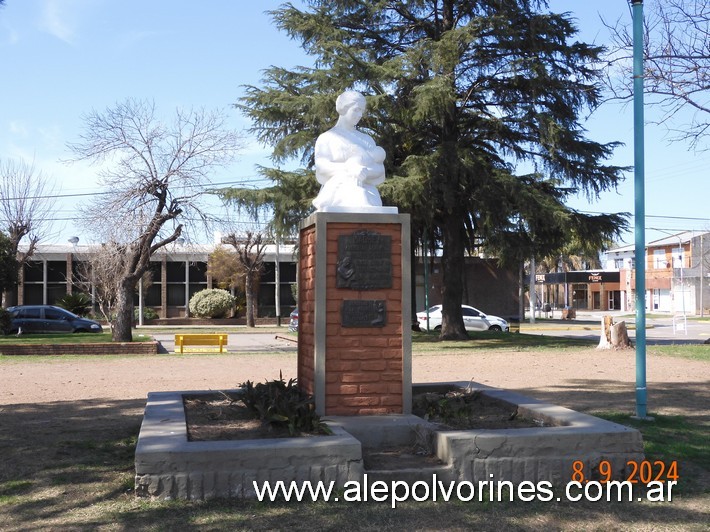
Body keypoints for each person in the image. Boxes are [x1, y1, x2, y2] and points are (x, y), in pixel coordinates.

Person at [312, 91, 386, 210]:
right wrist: (349, 169)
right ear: (344, 108)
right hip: (337, 192)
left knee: (364, 197)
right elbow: (322, 166)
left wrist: (365, 172)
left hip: (368, 192)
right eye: (356, 110)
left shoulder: (367, 140)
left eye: (362, 111)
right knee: (358, 196)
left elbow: (380, 169)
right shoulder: (327, 138)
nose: (360, 115)